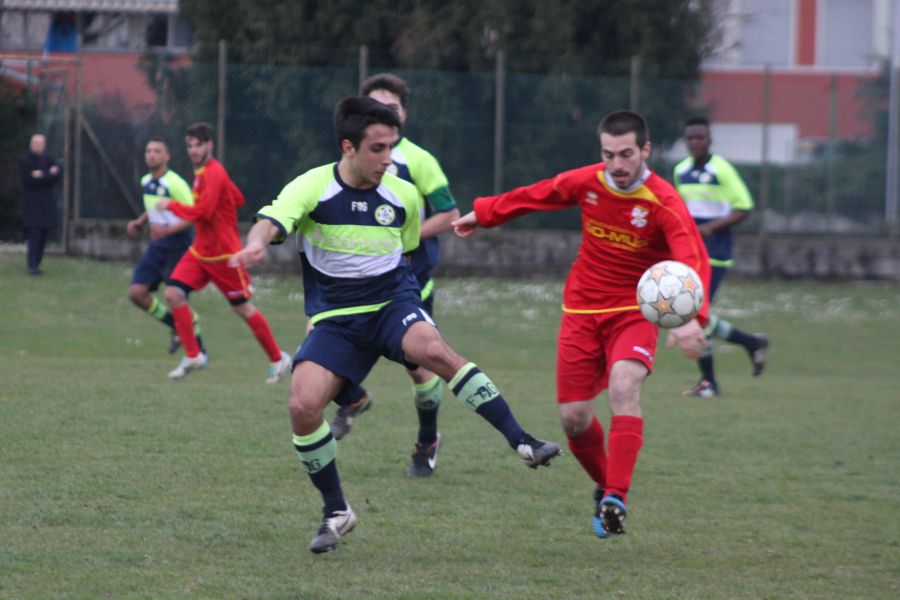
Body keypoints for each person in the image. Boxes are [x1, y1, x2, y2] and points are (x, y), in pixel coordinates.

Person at [229, 96, 562, 554]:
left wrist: (401, 303)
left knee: (435, 351)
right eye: (378, 149)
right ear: (348, 147)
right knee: (302, 406)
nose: (388, 159)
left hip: (391, 303)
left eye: (392, 147)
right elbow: (272, 219)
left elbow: (404, 254)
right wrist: (255, 245)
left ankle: (522, 440)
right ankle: (337, 511)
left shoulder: (402, 194)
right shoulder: (312, 186)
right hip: (336, 319)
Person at [453, 110, 711, 538]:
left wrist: (689, 319)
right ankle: (604, 487)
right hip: (581, 311)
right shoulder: (589, 181)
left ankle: (617, 496)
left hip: (633, 312)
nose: (617, 165)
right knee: (573, 418)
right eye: (609, 154)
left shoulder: (663, 201)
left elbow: (690, 254)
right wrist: (484, 213)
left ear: (645, 151)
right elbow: (540, 194)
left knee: (625, 387)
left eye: (627, 154)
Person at [327, 74, 462, 478]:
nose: (383, 111)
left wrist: (402, 235)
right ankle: (352, 398)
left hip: (408, 279)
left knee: (419, 367)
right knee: (321, 347)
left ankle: (427, 441)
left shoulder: (419, 160)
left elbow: (450, 214)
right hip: (354, 282)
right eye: (374, 104)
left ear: (403, 113)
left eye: (391, 106)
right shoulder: (356, 157)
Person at [156, 122, 291, 382]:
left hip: (224, 256)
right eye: (190, 145)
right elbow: (237, 198)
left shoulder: (213, 172)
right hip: (200, 252)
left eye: (199, 145)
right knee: (173, 293)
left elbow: (205, 213)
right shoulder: (204, 172)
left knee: (243, 309)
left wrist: (171, 205)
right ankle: (194, 354)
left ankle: (278, 358)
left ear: (210, 145)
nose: (194, 150)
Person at [675, 116, 768, 398]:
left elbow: (744, 207)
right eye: (690, 138)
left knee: (694, 315)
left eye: (699, 137)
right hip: (689, 251)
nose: (695, 142)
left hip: (715, 252)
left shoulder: (722, 170)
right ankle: (752, 343)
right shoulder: (681, 171)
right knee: (691, 315)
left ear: (709, 140)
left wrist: (710, 227)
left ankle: (710, 383)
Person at [126, 137, 204, 354]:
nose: (151, 154)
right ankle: (175, 325)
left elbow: (193, 215)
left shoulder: (176, 183)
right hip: (157, 245)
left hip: (178, 246)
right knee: (136, 293)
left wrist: (168, 230)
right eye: (149, 150)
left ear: (166, 156)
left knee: (176, 298)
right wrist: (140, 222)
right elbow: (154, 208)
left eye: (157, 151)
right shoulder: (146, 181)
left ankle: (199, 351)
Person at [19, 134, 61, 275]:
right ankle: (32, 265)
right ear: (31, 145)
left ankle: (37, 263)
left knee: (44, 233)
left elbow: (56, 176)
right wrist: (47, 175)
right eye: (36, 143)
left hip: (47, 204)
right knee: (35, 234)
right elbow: (29, 181)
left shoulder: (49, 160)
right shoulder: (25, 161)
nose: (39, 146)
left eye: (41, 143)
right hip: (32, 205)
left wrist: (41, 175)